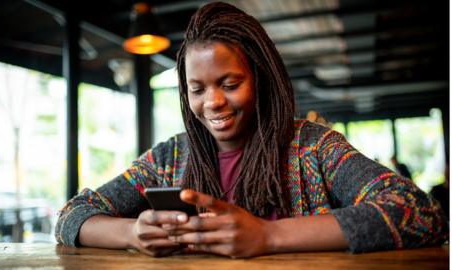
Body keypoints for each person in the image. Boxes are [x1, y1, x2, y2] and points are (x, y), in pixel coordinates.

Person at [55, 2, 448, 258]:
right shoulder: (170, 157)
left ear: (260, 80)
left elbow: (418, 213)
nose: (213, 103)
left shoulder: (312, 147)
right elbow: (72, 215)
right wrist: (132, 233)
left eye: (229, 84)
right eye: (197, 89)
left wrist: (268, 236)